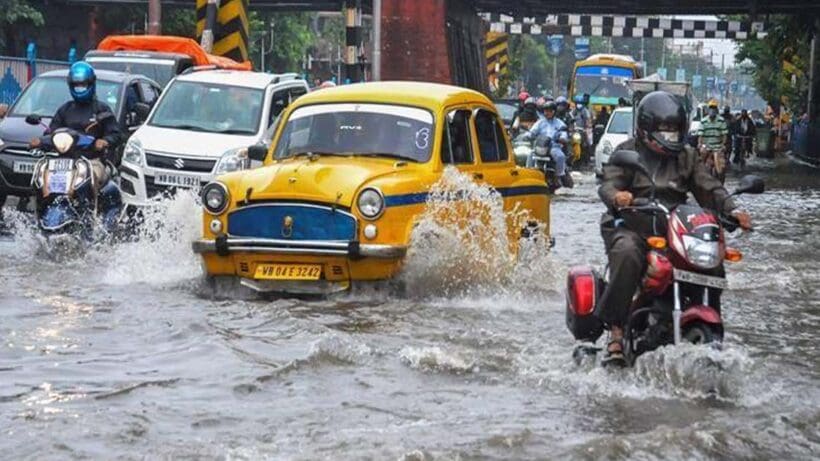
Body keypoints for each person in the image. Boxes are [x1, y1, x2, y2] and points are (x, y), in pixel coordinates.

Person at [596, 91, 752, 365]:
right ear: (646, 129)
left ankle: (707, 318)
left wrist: (733, 210)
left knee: (712, 260)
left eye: (675, 130)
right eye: (665, 131)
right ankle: (617, 331)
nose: (671, 136)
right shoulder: (627, 153)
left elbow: (709, 187)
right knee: (628, 252)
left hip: (673, 228)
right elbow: (609, 183)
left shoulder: (687, 157)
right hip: (632, 223)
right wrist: (618, 196)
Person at [30, 62, 123, 193]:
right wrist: (40, 141)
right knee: (40, 178)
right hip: (63, 161)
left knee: (92, 177)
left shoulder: (101, 110)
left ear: (91, 84)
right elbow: (51, 132)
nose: (79, 88)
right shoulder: (65, 109)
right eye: (76, 85)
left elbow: (116, 134)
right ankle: (39, 207)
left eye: (83, 85)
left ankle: (90, 211)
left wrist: (104, 141)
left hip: (92, 160)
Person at [522, 100, 570, 186]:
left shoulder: (559, 123)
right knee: (530, 155)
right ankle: (528, 175)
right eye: (545, 110)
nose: (547, 112)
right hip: (540, 147)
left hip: (553, 147)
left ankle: (557, 177)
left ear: (554, 112)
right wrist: (527, 136)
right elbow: (532, 132)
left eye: (549, 110)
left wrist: (562, 138)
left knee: (560, 156)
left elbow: (564, 133)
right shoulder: (540, 122)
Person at [696, 99, 728, 178]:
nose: (712, 110)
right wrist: (700, 144)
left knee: (721, 168)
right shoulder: (703, 121)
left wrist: (723, 144)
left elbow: (724, 135)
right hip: (706, 146)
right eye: (711, 108)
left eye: (714, 108)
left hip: (718, 147)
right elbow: (700, 135)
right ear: (708, 109)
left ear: (716, 110)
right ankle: (700, 174)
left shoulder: (721, 121)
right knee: (701, 161)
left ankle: (720, 179)